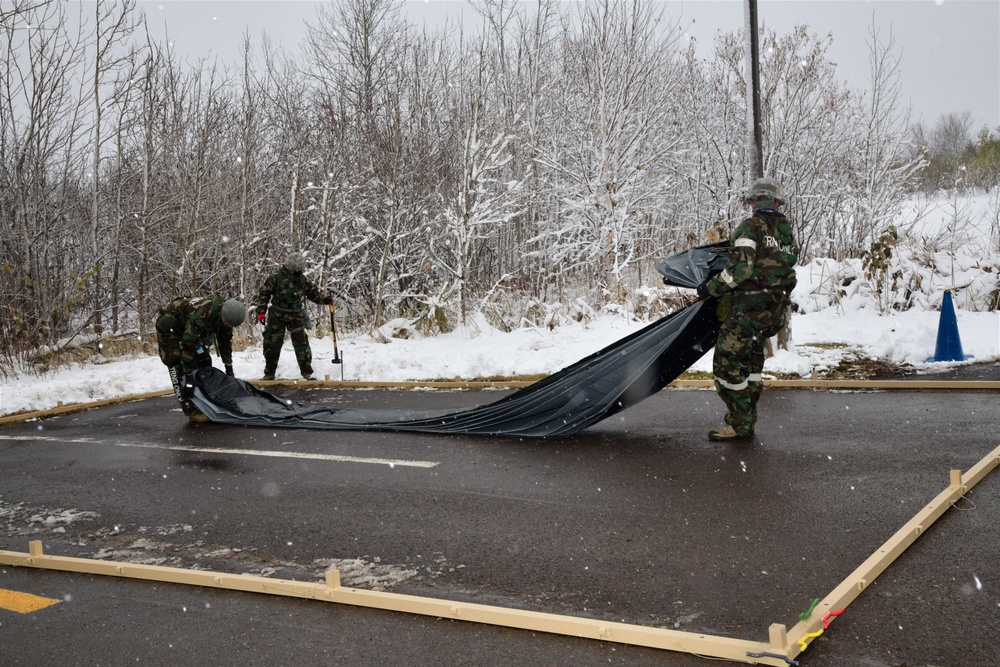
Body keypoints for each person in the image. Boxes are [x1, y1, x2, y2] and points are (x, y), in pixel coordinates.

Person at [696, 177, 799, 441]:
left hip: (748, 309)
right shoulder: (785, 230)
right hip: (774, 309)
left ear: (752, 202)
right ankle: (747, 418)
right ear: (777, 202)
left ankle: (740, 423)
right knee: (752, 363)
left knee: (726, 366)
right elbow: (786, 262)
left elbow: (740, 270)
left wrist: (712, 288)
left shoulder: (748, 227)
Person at [155, 296, 247, 423]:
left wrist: (228, 367)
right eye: (228, 324)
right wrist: (188, 376)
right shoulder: (201, 316)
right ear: (223, 317)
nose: (229, 326)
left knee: (204, 360)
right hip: (170, 328)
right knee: (175, 362)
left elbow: (225, 342)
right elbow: (188, 346)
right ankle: (190, 408)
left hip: (188, 327)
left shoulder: (225, 319)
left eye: (231, 325)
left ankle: (205, 399)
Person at [255, 251, 334, 381]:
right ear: (290, 267)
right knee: (272, 344)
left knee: (302, 344)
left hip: (296, 314)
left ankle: (307, 372)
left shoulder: (302, 280)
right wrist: (261, 311)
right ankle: (269, 373)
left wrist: (325, 300)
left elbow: (313, 294)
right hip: (277, 314)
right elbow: (264, 294)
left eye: (300, 268)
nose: (299, 271)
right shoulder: (275, 278)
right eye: (296, 268)